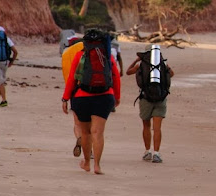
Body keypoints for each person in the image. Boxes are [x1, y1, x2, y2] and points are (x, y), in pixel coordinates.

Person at [62, 29, 121, 175]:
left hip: (82, 97)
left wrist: (65, 98)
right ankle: (97, 166)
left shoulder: (80, 55)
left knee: (86, 132)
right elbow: (116, 77)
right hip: (104, 96)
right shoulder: (107, 57)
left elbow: (72, 79)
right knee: (98, 133)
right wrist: (117, 97)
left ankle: (87, 163)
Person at [126, 49, 174, 164]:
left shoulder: (140, 65)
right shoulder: (163, 64)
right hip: (160, 98)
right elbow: (171, 74)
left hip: (145, 98)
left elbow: (127, 72)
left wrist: (136, 61)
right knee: (157, 128)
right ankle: (156, 153)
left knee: (146, 126)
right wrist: (164, 63)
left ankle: (147, 152)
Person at [61, 35, 84, 157]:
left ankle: (80, 137)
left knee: (77, 123)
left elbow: (68, 78)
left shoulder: (67, 53)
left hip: (76, 92)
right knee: (91, 123)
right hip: (94, 92)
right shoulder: (93, 51)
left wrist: (65, 98)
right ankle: (89, 149)